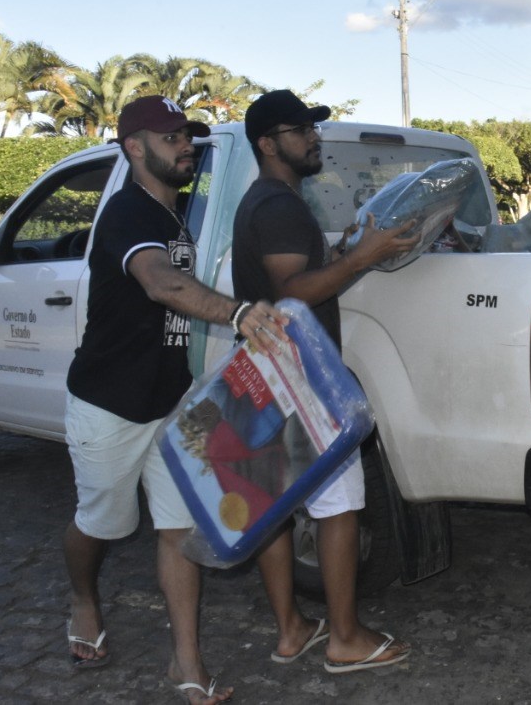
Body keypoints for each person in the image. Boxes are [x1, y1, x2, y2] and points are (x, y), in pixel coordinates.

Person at [64, 95, 287, 705]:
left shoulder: (177, 212)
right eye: (169, 138)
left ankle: (186, 664)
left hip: (170, 401)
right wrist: (239, 313)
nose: (185, 145)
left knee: (180, 529)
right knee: (99, 525)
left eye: (187, 135)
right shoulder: (127, 214)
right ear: (134, 148)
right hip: (109, 404)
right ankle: (84, 597)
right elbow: (162, 282)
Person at [233, 89, 418, 674]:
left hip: (268, 371)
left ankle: (291, 631)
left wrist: (343, 249)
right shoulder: (279, 205)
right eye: (299, 130)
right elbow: (290, 293)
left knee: (276, 506)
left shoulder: (268, 201)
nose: (313, 138)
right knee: (339, 505)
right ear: (268, 143)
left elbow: (295, 275)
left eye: (313, 128)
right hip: (300, 373)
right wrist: (363, 257)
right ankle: (344, 638)